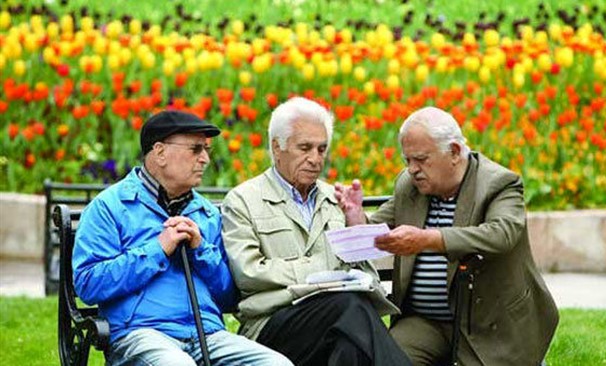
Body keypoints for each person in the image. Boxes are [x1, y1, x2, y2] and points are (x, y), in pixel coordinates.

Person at [335, 106, 559, 366]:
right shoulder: (409, 186)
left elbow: (503, 233)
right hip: (423, 322)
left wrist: (429, 239)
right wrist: (356, 218)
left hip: (488, 324)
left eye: (421, 159)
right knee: (386, 361)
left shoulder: (498, 183)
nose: (412, 169)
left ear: (453, 152)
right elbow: (380, 233)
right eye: (407, 160)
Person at [73, 110, 292, 366]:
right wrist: (158, 249)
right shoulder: (110, 207)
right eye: (196, 149)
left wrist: (200, 251)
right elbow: (88, 284)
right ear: (160, 152)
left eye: (206, 150)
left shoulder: (207, 214)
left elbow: (229, 298)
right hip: (141, 334)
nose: (205, 159)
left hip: (207, 335)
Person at [220, 97, 412, 366]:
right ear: (277, 147)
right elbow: (249, 273)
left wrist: (357, 222)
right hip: (271, 325)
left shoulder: (334, 199)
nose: (315, 159)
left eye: (322, 149)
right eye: (305, 148)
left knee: (348, 346)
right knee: (349, 309)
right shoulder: (243, 200)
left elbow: (367, 276)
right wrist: (319, 272)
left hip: (338, 323)